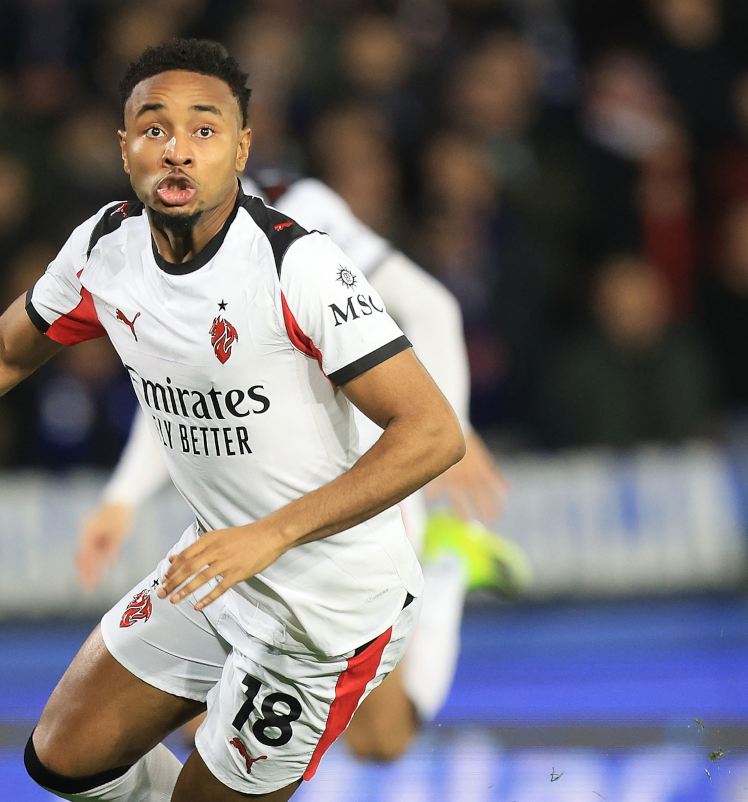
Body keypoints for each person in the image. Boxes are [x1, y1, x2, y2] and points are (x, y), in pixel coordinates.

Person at [0, 40, 466, 801]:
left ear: (242, 148)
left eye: (204, 130)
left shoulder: (295, 266)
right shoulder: (107, 247)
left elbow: (432, 432)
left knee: (376, 742)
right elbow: (3, 351)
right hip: (215, 574)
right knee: (63, 757)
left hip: (328, 608)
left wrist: (269, 535)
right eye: (154, 128)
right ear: (124, 146)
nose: (177, 149)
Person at [77, 175, 529, 763]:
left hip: (346, 489)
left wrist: (451, 427)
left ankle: (446, 566)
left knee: (379, 741)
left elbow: (431, 306)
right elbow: (172, 390)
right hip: (245, 509)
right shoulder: (160, 248)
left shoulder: (298, 218)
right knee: (202, 720)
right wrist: (122, 497)